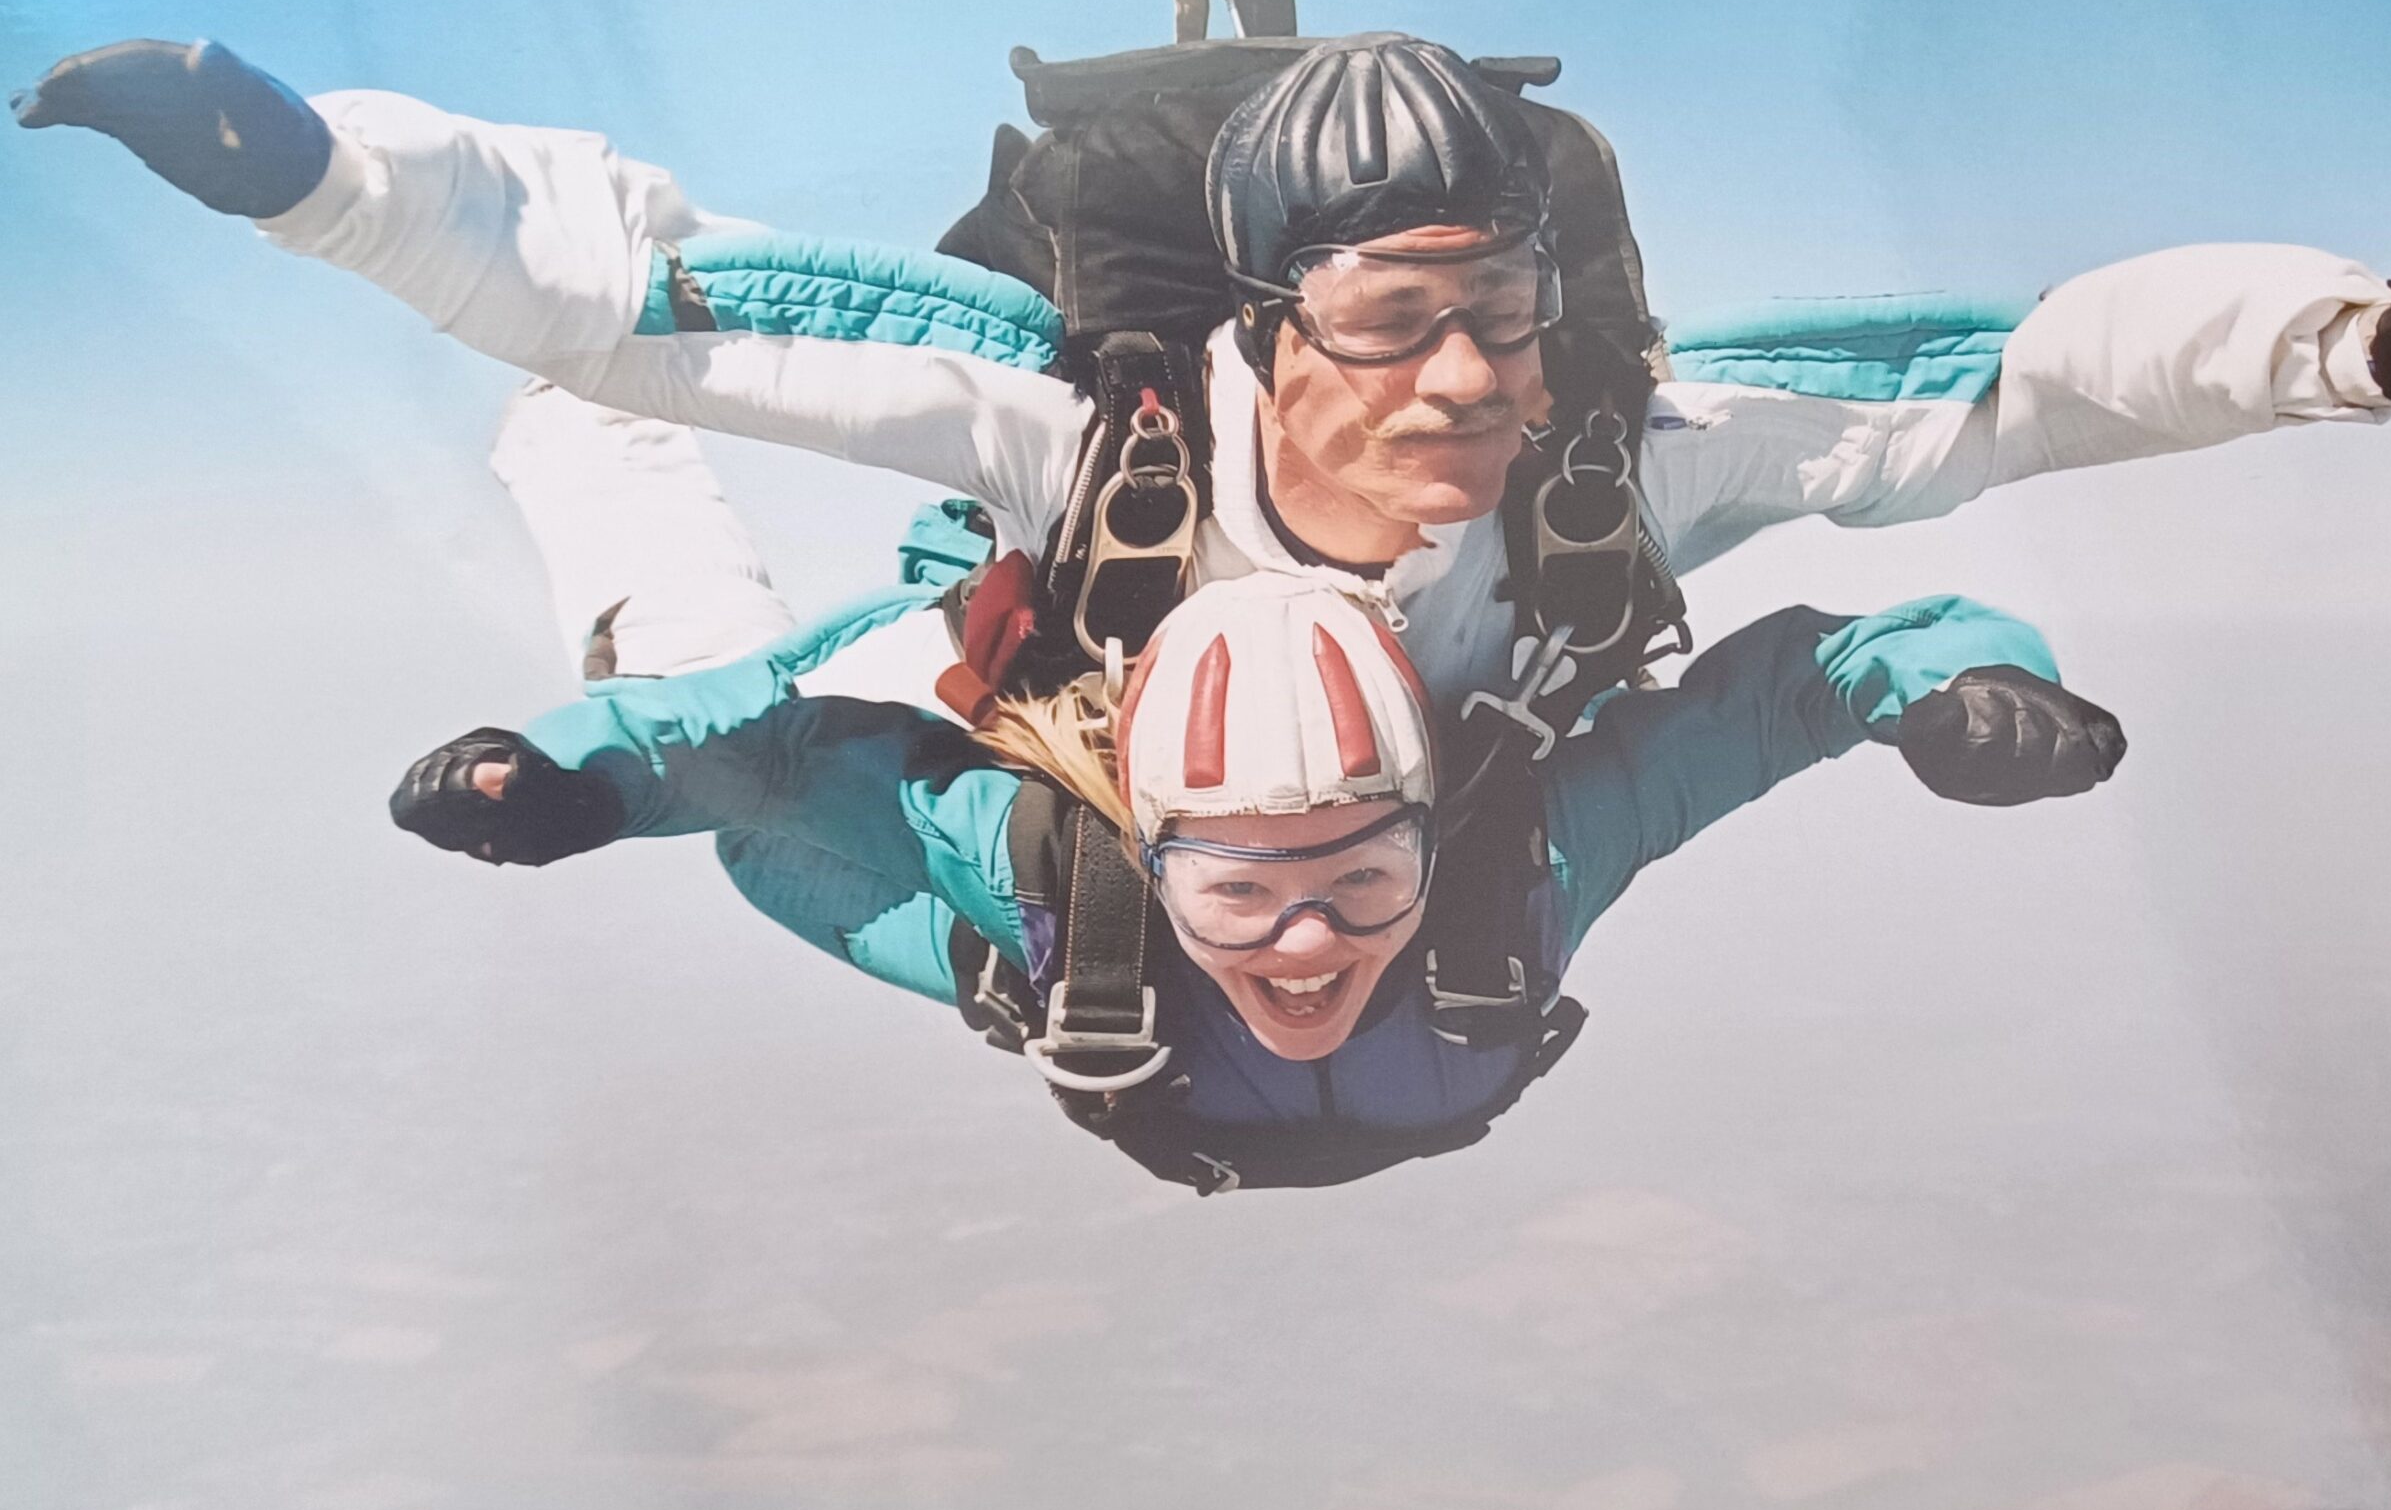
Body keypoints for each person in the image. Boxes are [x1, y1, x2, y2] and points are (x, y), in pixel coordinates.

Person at [16, 35, 2391, 718]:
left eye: (1497, 306)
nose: (1460, 374)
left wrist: (2348, 344)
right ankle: (610, 556)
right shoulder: (1073, 425)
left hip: (1400, 815)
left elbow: (2004, 386)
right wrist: (312, 176)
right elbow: (639, 288)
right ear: (1259, 326)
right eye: (1383, 319)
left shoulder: (1614, 456)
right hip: (1070, 697)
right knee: (705, 680)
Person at [383, 387, 2126, 1192]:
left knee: (735, 767)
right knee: (719, 715)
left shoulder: (1503, 877)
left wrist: (1962, 689)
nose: (1303, 944)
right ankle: (595, 426)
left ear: (1430, 841)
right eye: (1241, 892)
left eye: (1362, 886)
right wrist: (576, 780)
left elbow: (1779, 698)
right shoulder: (1068, 869)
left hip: (1095, 994)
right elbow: (759, 760)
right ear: (1155, 853)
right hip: (1022, 932)